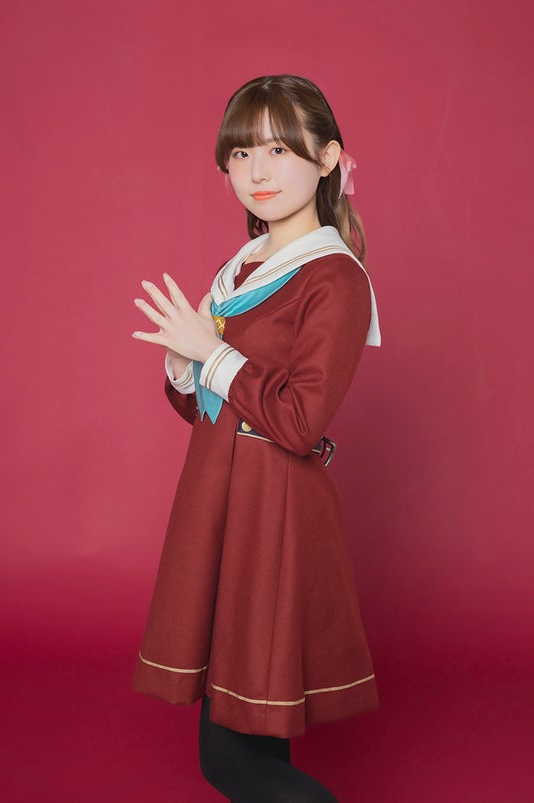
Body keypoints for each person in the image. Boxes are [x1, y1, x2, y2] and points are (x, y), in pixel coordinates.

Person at [132, 74, 381, 802]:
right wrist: (184, 364)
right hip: (219, 505)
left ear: (327, 158)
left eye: (278, 149)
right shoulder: (239, 268)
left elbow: (300, 423)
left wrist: (211, 353)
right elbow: (211, 411)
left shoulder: (335, 278)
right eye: (241, 154)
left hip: (274, 516)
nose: (257, 171)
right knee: (247, 732)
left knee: (231, 757)